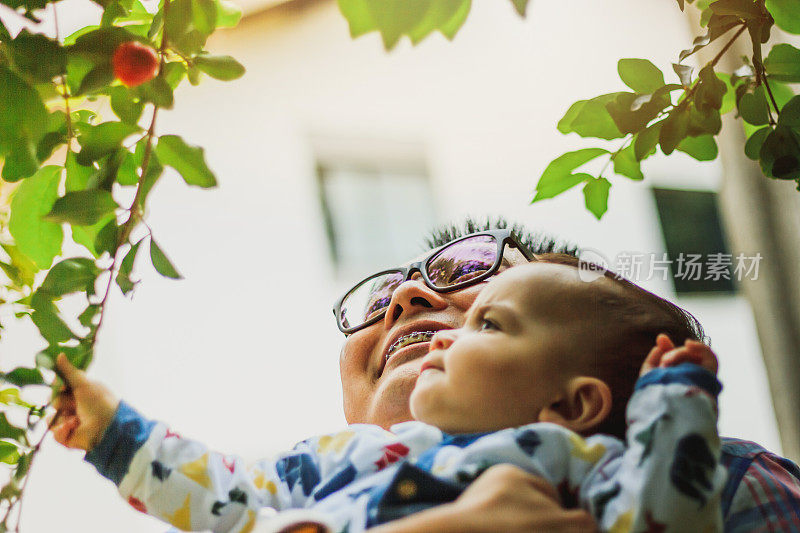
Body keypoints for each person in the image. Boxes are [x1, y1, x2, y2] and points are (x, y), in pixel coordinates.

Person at [54, 219, 800, 532]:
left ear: (578, 395)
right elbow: (218, 487)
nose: (408, 296)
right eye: (380, 300)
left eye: (481, 289)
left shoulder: (716, 478)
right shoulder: (327, 469)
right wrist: (115, 432)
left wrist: (675, 414)